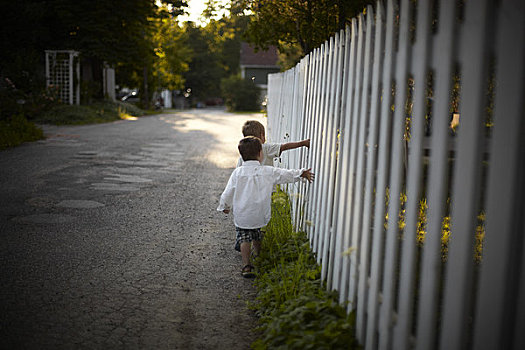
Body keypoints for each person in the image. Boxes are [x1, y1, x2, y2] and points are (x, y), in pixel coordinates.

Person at [218, 136, 314, 278]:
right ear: (260, 153)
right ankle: (259, 257)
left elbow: (228, 191)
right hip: (259, 214)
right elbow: (284, 174)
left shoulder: (237, 173)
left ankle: (246, 265)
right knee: (257, 235)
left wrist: (225, 205)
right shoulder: (267, 171)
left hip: (243, 215)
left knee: (244, 239)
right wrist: (301, 173)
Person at [237, 120, 310, 167]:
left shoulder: (244, 152)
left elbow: (238, 170)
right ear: (262, 135)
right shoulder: (265, 148)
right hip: (267, 187)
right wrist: (303, 143)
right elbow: (284, 147)